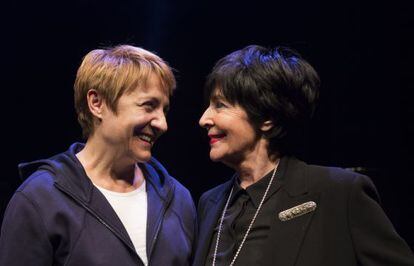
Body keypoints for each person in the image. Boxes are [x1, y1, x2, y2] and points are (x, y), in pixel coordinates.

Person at [193, 45, 414, 266]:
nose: (204, 119)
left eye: (220, 105)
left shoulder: (338, 193)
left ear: (266, 117)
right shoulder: (209, 203)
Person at [0, 45, 196, 266]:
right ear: (97, 103)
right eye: (148, 106)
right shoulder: (40, 200)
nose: (162, 124)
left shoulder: (178, 200)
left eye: (164, 110)